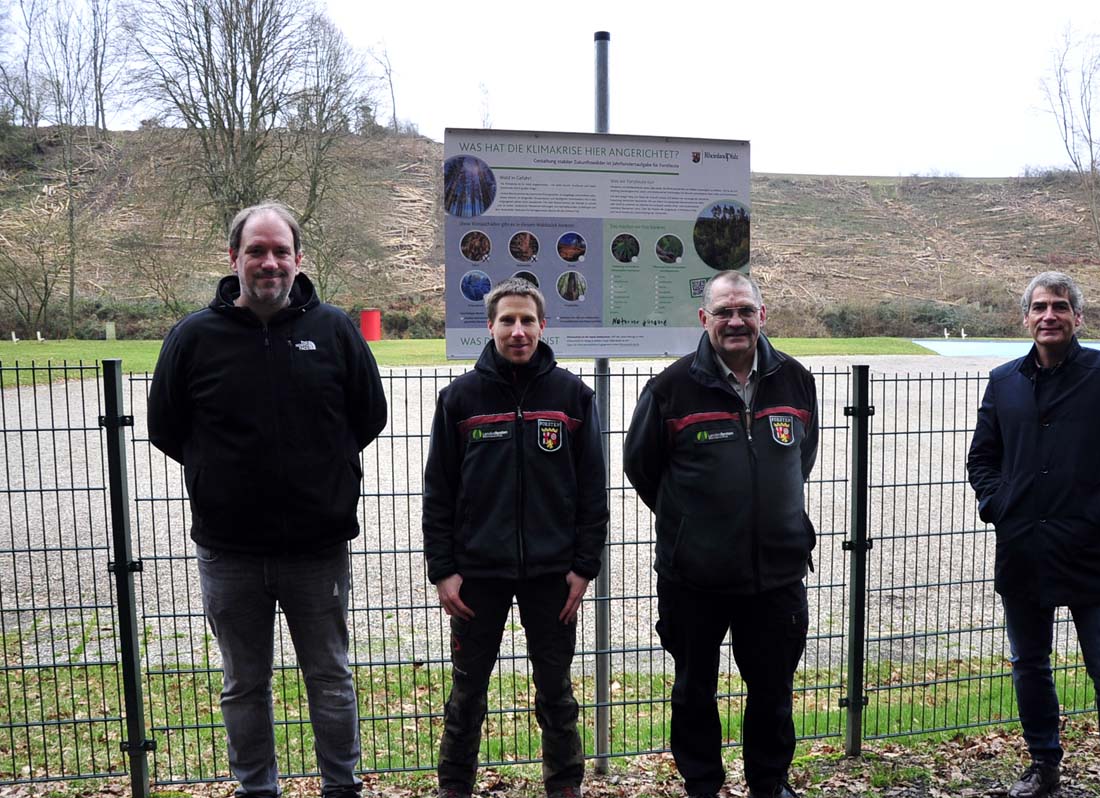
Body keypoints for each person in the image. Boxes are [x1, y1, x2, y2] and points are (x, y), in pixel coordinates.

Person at [148, 202, 388, 798]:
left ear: (299, 260)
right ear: (233, 259)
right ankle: (256, 788)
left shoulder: (333, 331)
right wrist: (219, 474)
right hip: (229, 552)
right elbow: (166, 428)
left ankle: (342, 788)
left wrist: (317, 468)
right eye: (256, 250)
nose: (269, 262)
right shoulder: (193, 338)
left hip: (317, 548)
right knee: (243, 684)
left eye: (281, 250)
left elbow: (368, 415)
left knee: (330, 680)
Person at [967, 271, 1100, 798]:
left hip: (1091, 550)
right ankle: (1044, 767)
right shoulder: (1004, 380)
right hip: (1022, 550)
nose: (1048, 315)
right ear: (1025, 318)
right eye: (1039, 307)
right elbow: (982, 456)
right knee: (1029, 665)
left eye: (1059, 306)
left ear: (1078, 316)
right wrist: (997, 504)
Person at [623, 270, 818, 798]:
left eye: (746, 311)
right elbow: (642, 468)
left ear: (762, 315)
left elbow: (799, 460)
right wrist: (693, 524)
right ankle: (703, 785)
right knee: (693, 691)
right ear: (704, 318)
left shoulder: (796, 380)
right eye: (725, 312)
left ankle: (769, 783)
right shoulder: (670, 387)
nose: (736, 322)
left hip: (775, 575)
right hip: (695, 577)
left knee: (773, 691)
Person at [423, 278, 608, 798]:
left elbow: (593, 490)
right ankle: (454, 787)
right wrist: (443, 570)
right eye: (507, 320)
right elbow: (438, 491)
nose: (518, 330)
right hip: (477, 576)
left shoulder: (573, 397)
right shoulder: (459, 399)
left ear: (543, 326)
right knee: (467, 693)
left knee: (556, 691)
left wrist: (583, 567)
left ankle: (564, 786)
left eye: (528, 320)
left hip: (553, 576)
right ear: (490, 326)